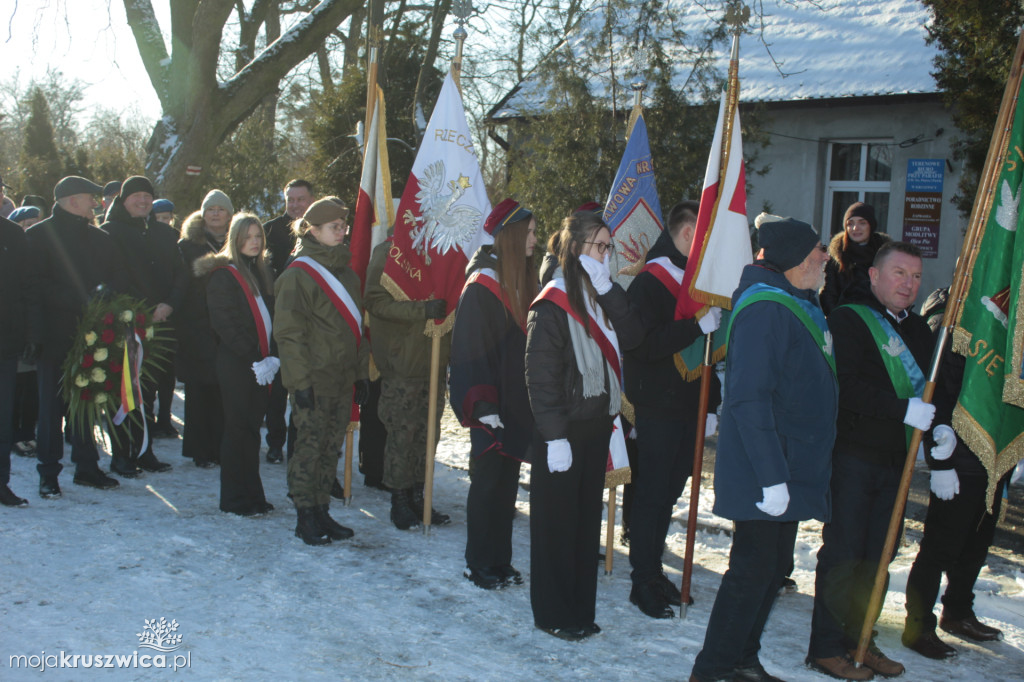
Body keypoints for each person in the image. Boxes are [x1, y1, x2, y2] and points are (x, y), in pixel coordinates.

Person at [689, 218, 835, 682]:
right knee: (751, 572)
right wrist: (772, 477)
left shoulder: (794, 301)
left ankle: (742, 659)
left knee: (772, 569)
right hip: (766, 469)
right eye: (818, 250)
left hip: (787, 463)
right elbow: (750, 399)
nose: (826, 257)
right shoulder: (766, 308)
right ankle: (712, 670)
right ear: (794, 260)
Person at [807, 241, 935, 681]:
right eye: (900, 273)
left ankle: (860, 638)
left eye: (916, 277)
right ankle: (826, 646)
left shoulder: (920, 330)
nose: (909, 284)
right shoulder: (848, 320)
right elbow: (845, 386)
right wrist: (901, 410)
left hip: (897, 461)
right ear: (875, 275)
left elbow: (934, 389)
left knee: (879, 556)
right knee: (844, 553)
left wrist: (941, 430)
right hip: (854, 458)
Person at [525, 210, 643, 641]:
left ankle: (579, 609)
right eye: (599, 247)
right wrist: (554, 437)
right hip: (563, 432)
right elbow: (541, 377)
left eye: (609, 248)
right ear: (575, 249)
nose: (605, 255)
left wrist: (610, 289)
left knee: (584, 527)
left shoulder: (599, 296)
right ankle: (553, 613)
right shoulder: (553, 301)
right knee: (556, 526)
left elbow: (634, 336)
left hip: (596, 428)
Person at [624, 200, 723, 619]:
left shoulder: (697, 282)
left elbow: (709, 351)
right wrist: (693, 327)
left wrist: (712, 402)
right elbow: (642, 345)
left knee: (669, 494)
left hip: (688, 406)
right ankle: (642, 579)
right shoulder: (650, 282)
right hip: (657, 406)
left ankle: (652, 569)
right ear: (686, 234)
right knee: (652, 495)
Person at [901, 287, 1007, 659]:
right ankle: (918, 625)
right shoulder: (949, 314)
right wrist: (941, 460)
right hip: (958, 453)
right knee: (940, 545)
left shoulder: (1009, 319)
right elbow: (937, 391)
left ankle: (958, 610)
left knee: (977, 541)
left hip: (994, 453)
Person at [450, 199, 538, 589]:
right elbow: (469, 349)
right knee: (487, 486)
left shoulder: (518, 279)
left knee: (506, 487)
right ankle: (479, 562)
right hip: (490, 407)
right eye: (529, 233)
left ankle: (500, 560)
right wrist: (483, 403)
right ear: (511, 236)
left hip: (514, 405)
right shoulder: (481, 286)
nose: (534, 239)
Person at [274, 198, 368, 545]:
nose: (342, 232)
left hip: (341, 378)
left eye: (344, 226)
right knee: (309, 449)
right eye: (334, 227)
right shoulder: (298, 275)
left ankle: (321, 509)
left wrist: (361, 373)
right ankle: (305, 516)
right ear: (313, 231)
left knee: (330, 448)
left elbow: (356, 329)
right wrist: (299, 383)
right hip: (313, 379)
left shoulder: (346, 273)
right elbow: (289, 334)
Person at [25, 176, 124, 496]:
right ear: (72, 201)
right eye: (89, 198)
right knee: (50, 409)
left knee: (87, 401)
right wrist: (80, 298)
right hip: (53, 336)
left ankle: (86, 467)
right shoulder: (38, 237)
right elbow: (34, 287)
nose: (95, 203)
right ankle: (48, 473)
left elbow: (115, 276)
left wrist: (107, 295)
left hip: (93, 335)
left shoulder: (101, 239)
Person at [364, 235, 451, 531]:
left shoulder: (443, 247)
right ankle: (399, 499)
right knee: (403, 433)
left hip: (434, 361)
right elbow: (375, 301)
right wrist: (421, 310)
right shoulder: (389, 251)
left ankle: (418, 495)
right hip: (403, 361)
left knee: (428, 434)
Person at [100, 176, 182, 476]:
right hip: (126, 324)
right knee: (124, 391)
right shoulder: (109, 232)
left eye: (148, 196)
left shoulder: (165, 233)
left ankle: (144, 450)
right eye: (136, 196)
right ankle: (122, 454)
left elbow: (181, 274)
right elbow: (111, 277)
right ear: (123, 200)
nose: (143, 201)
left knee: (147, 391)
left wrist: (169, 304)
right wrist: (139, 308)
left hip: (160, 322)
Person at [199, 213, 277, 516]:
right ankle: (233, 498)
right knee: (237, 429)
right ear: (235, 239)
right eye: (248, 237)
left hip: (261, 363)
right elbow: (224, 323)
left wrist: (270, 356)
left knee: (252, 430)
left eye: (258, 236)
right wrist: (255, 356)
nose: (254, 242)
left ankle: (253, 495)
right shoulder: (223, 275)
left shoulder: (261, 272)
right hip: (237, 363)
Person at [177, 190, 234, 468]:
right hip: (197, 324)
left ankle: (222, 447)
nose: (215, 214)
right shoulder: (188, 245)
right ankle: (200, 450)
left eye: (220, 209)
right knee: (199, 391)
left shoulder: (238, 241)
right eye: (210, 209)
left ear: (229, 214)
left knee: (224, 391)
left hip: (228, 325)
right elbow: (181, 284)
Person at [261, 179, 314, 464]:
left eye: (300, 199)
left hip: (310, 322)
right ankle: (275, 442)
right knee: (278, 389)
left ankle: (299, 443)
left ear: (311, 200)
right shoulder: (269, 230)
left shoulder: (320, 229)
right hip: (277, 319)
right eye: (290, 199)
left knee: (304, 385)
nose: (295, 205)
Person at [0, 185, 29, 506]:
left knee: (2, 417)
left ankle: (1, 483)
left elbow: (26, 285)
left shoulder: (12, 235)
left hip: (5, 342)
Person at [819, 202, 889, 315]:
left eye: (862, 223)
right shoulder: (837, 257)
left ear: (871, 225)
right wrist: (839, 318)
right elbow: (828, 295)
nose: (855, 228)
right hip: (844, 319)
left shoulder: (885, 255)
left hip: (878, 320)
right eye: (850, 224)